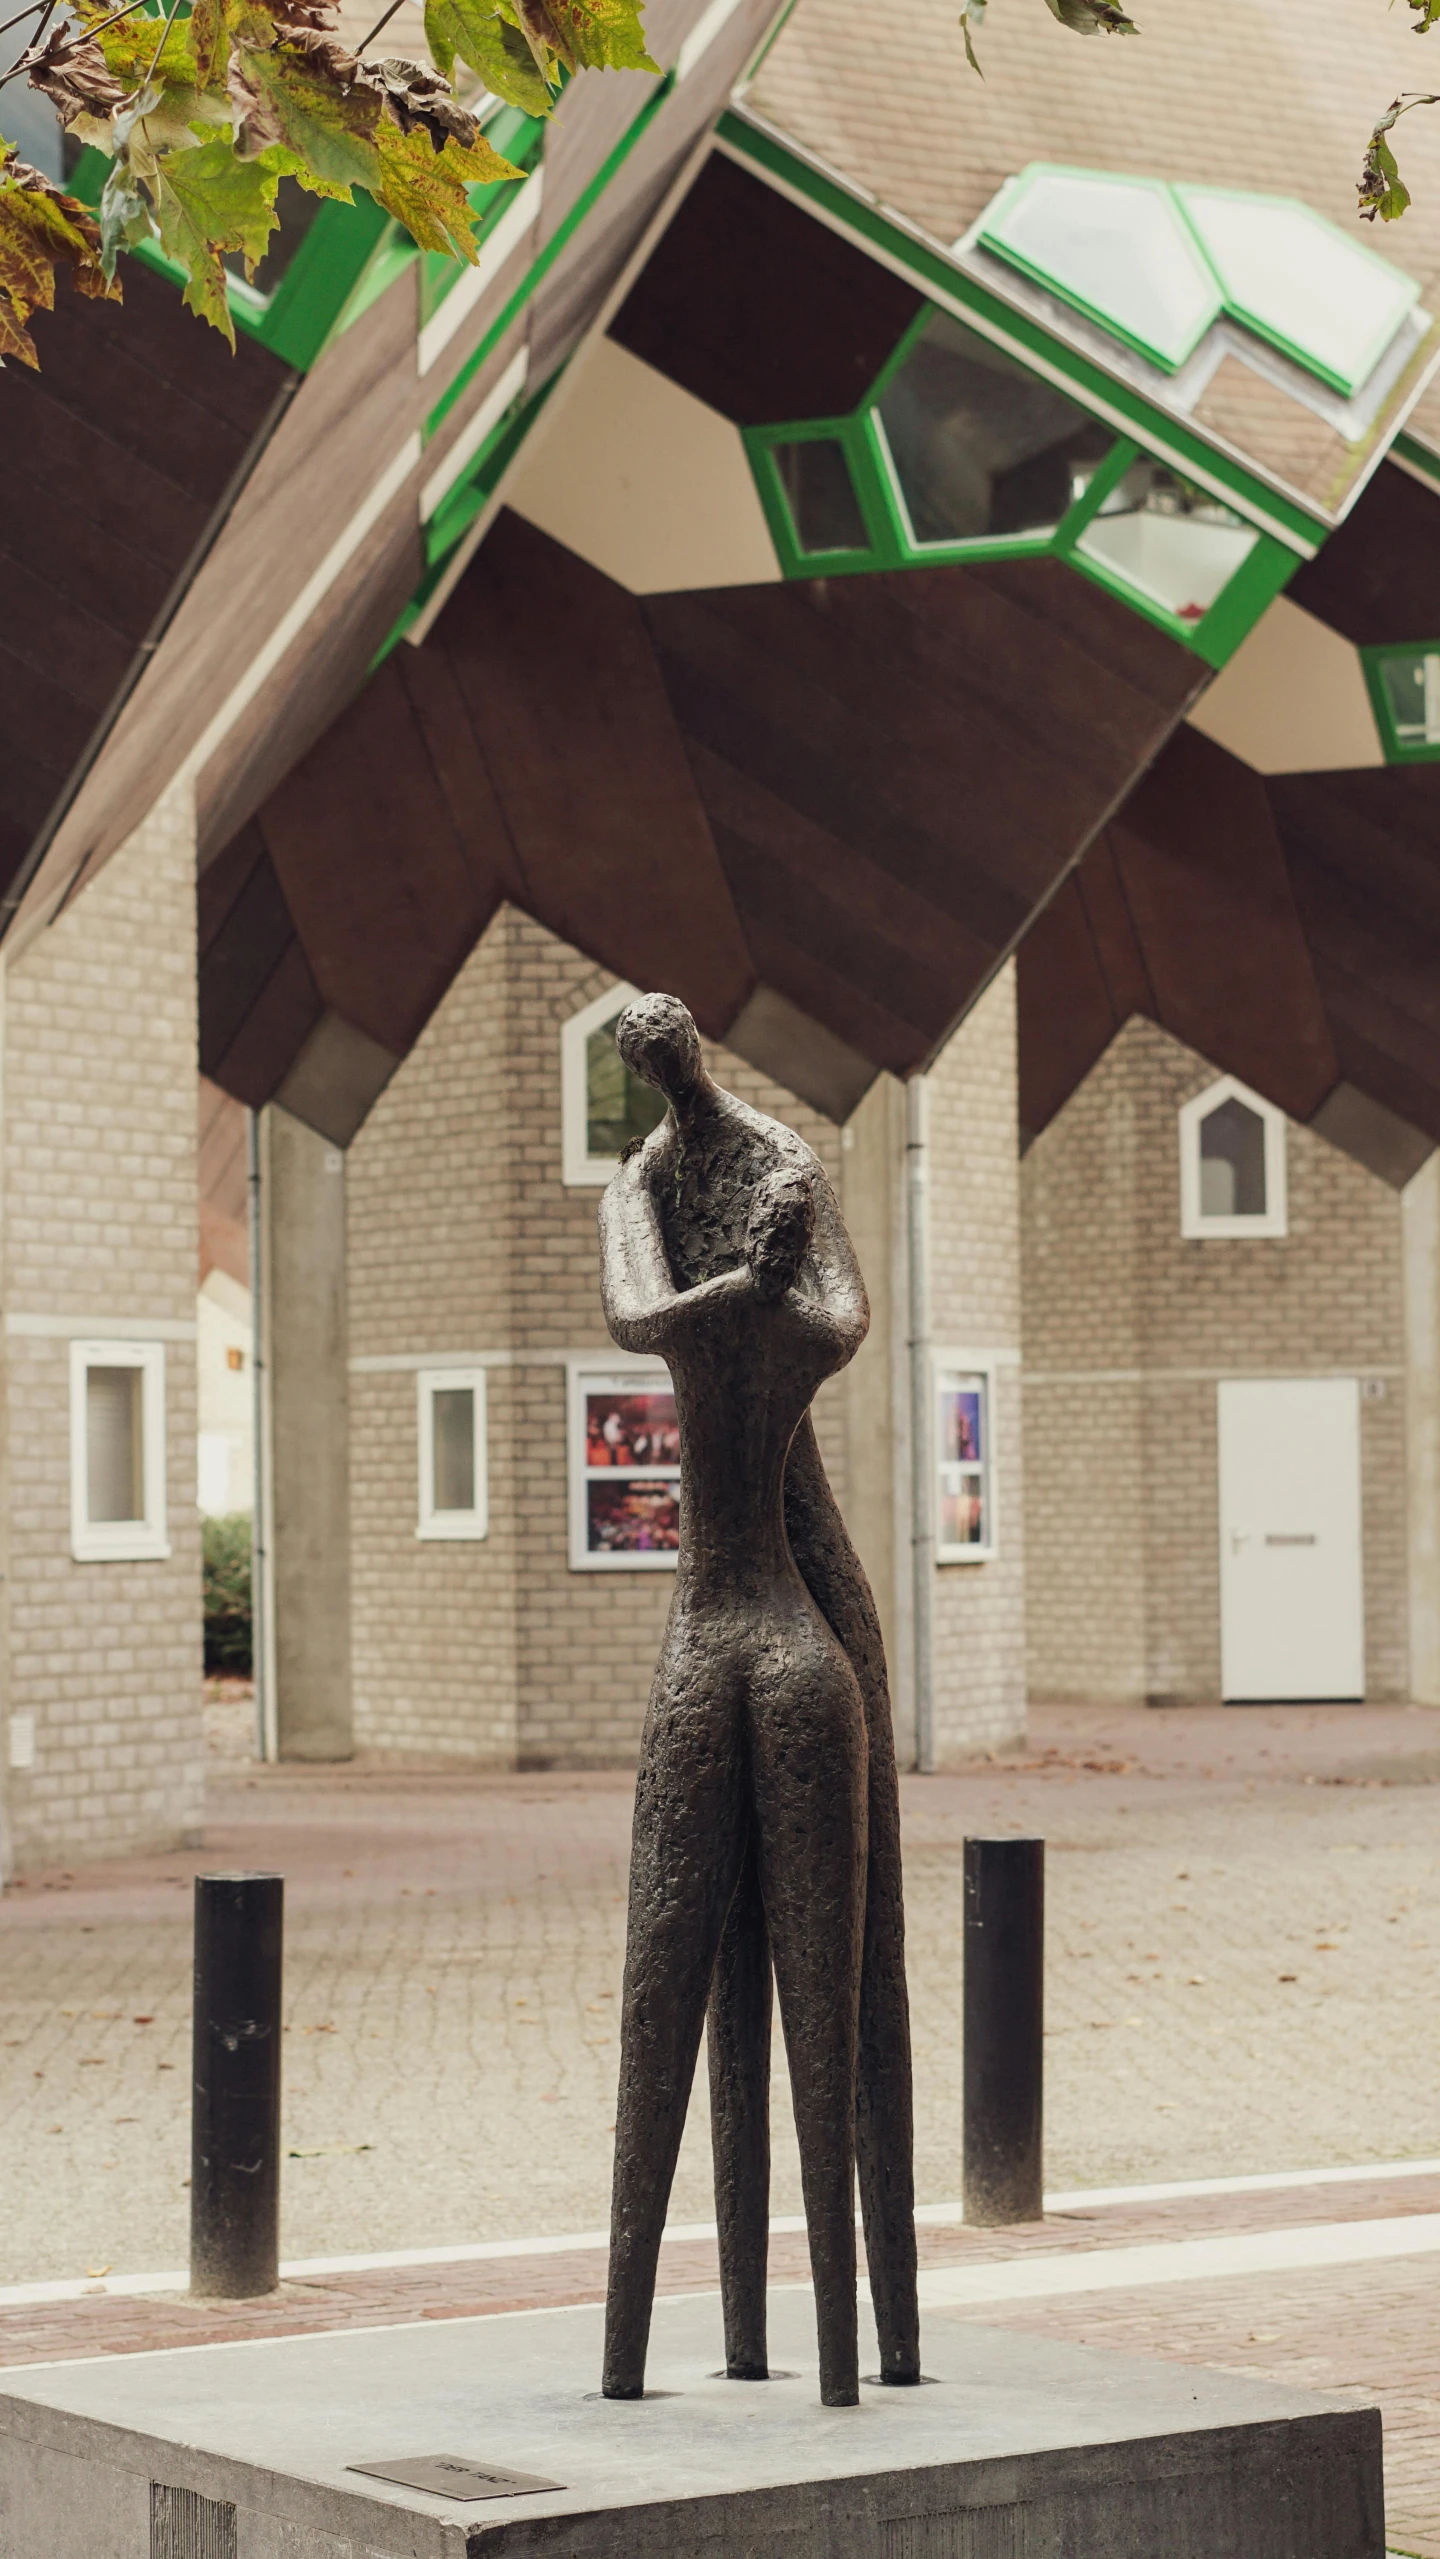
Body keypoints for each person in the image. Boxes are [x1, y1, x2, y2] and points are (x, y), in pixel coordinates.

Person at [598, 993, 920, 2406]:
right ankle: (830, 2344)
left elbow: (784, 1318)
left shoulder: (775, 1163)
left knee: (813, 1958)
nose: (659, 1065)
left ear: (684, 1047)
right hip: (778, 1619)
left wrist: (729, 1302)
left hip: (768, 1595)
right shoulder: (652, 1184)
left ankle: (833, 2330)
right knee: (748, 1965)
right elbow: (677, 1309)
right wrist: (746, 1294)